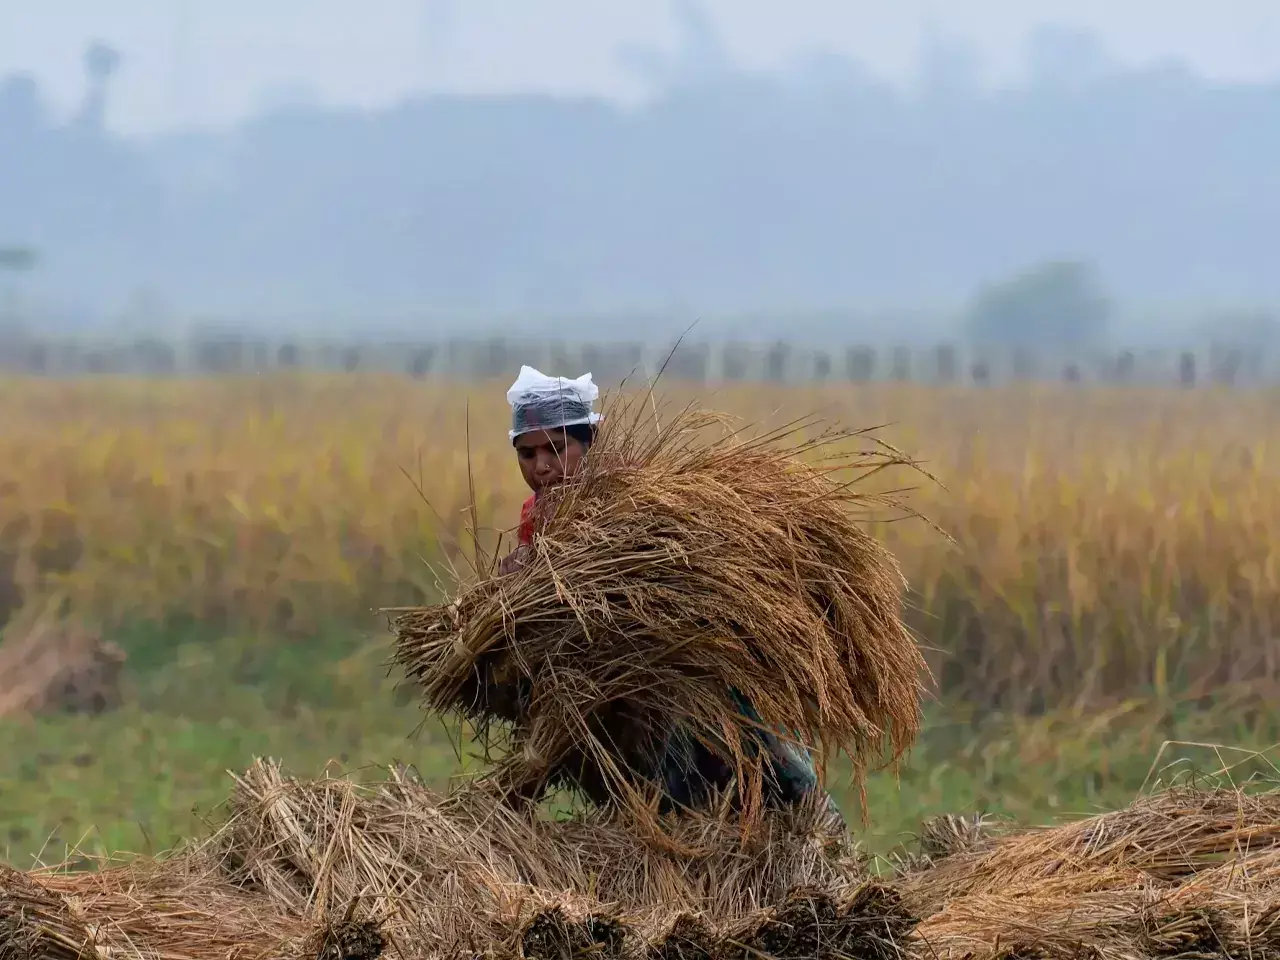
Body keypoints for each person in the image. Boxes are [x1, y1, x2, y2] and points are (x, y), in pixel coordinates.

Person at [496, 366, 843, 825]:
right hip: (612, 675)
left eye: (556, 448)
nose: (542, 466)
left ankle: (813, 812)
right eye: (527, 453)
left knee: (749, 738)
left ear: (589, 443)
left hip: (691, 658)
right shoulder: (534, 516)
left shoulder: (635, 496)